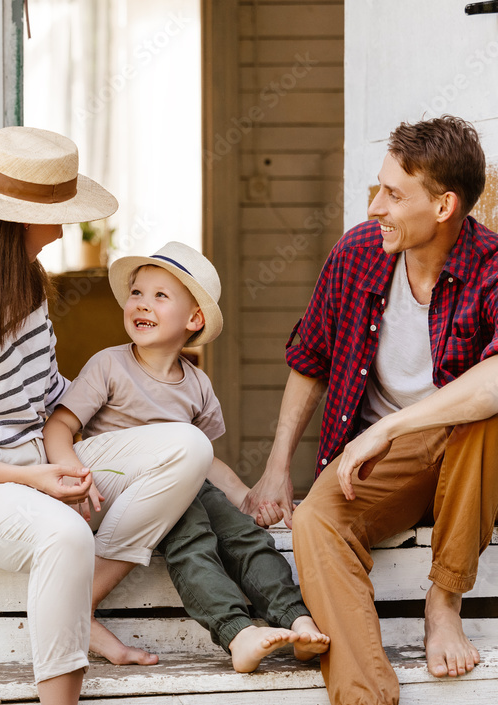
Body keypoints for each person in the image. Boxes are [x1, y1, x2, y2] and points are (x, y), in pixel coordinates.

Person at [241, 116, 498, 705]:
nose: (375, 206)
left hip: (485, 471)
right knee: (315, 520)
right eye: (377, 188)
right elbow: (310, 357)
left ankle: (443, 603)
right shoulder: (358, 253)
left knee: (489, 414)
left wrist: (388, 427)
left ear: (443, 205)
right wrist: (277, 466)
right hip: (395, 469)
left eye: (393, 194)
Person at [0, 128, 212, 705]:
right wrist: (37, 480)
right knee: (65, 535)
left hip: (40, 457)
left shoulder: (27, 283)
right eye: (57, 216)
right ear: (17, 220)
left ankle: (80, 604)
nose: (64, 229)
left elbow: (51, 397)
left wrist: (99, 441)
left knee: (186, 446)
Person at [43, 242, 330, 673]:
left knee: (242, 534)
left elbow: (205, 459)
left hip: (181, 484)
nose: (142, 303)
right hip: (113, 489)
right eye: (138, 293)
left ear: (194, 319)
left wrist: (244, 497)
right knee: (192, 531)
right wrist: (71, 476)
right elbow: (59, 427)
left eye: (161, 296)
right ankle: (236, 632)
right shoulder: (109, 366)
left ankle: (295, 617)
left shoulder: (197, 384)